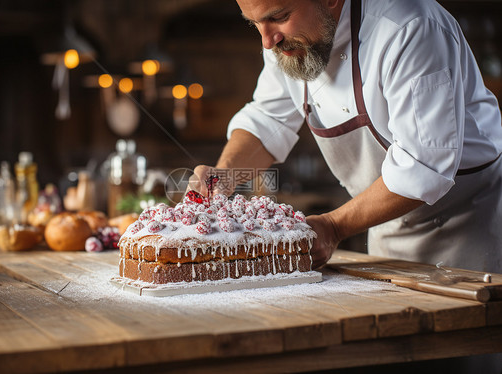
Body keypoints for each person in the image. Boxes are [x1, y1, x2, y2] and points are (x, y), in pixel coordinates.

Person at [189, 0, 502, 275]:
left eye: (279, 17)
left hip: (472, 232)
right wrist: (225, 176)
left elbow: (421, 165)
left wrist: (334, 226)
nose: (268, 41)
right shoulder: (285, 40)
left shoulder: (410, 28)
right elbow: (267, 119)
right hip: (385, 229)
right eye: (255, 24)